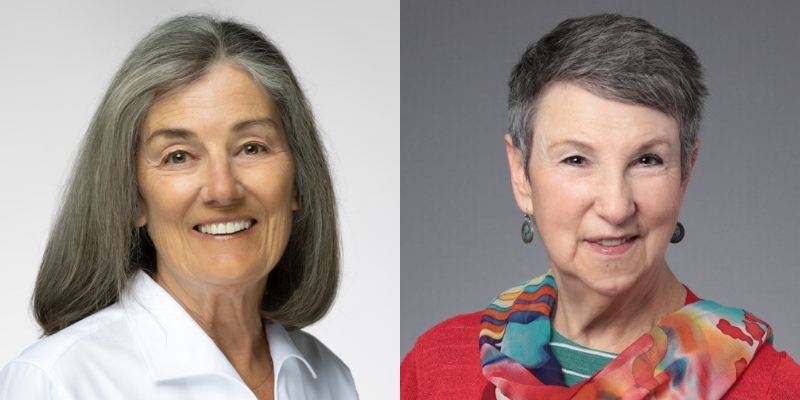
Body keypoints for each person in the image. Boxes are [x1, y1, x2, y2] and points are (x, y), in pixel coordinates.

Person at [401, 14, 800, 399]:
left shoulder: (774, 389)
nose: (616, 206)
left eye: (647, 160)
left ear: (685, 173)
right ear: (521, 174)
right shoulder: (435, 368)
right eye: (576, 159)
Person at [0, 14, 357, 400]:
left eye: (251, 148)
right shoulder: (57, 383)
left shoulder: (330, 380)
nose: (222, 190)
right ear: (133, 197)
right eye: (179, 156)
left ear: (298, 180)